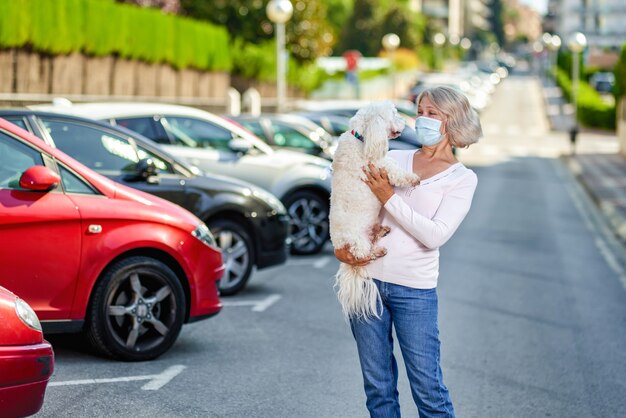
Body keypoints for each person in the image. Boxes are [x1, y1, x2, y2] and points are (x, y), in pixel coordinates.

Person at [334, 85, 482, 418]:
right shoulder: (396, 158)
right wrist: (342, 245)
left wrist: (390, 197)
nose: (422, 119)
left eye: (433, 114)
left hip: (414, 291)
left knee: (428, 390)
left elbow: (435, 235)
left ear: (452, 121)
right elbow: (349, 199)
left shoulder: (462, 178)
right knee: (378, 391)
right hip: (366, 283)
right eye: (420, 111)